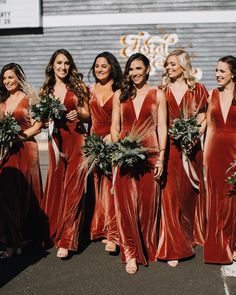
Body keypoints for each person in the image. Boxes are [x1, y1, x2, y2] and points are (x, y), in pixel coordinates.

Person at [111, 53, 167, 274]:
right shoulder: (120, 94)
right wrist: (121, 148)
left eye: (138, 69)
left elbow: (162, 127)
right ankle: (130, 253)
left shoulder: (158, 94)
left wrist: (162, 157)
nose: (134, 73)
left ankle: (147, 246)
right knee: (125, 207)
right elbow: (115, 128)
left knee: (147, 205)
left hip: (150, 154)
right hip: (125, 155)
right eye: (131, 69)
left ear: (147, 69)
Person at [156, 49, 208, 267]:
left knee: (189, 195)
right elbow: (160, 122)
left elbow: (203, 116)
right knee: (169, 195)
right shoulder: (162, 90)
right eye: (167, 64)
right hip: (170, 149)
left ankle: (190, 233)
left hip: (192, 148)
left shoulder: (197, 89)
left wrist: (194, 134)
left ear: (183, 65)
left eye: (173, 64)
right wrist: (161, 151)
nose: (168, 68)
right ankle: (173, 244)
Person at [40, 49, 90, 258]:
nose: (63, 67)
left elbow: (88, 115)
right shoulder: (45, 91)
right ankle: (57, 229)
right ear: (52, 65)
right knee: (58, 187)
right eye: (59, 63)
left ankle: (68, 239)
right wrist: (46, 121)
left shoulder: (77, 87)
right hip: (56, 144)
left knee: (74, 188)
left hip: (77, 140)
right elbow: (40, 122)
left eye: (66, 63)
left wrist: (77, 113)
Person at [0, 63, 43, 259]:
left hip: (26, 150)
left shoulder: (30, 98)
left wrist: (18, 137)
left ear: (19, 77)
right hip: (8, 152)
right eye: (5, 78)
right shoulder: (2, 102)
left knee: (27, 194)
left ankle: (23, 238)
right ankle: (12, 240)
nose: (8, 81)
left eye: (11, 77)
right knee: (8, 196)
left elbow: (38, 126)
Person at [88, 52, 122, 252]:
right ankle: (100, 227)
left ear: (112, 68)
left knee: (112, 186)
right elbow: (86, 116)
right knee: (97, 185)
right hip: (93, 141)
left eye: (104, 66)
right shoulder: (90, 90)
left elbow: (125, 116)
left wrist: (113, 136)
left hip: (112, 140)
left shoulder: (119, 89)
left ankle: (114, 234)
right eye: (97, 66)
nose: (99, 69)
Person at [204, 55, 236, 264]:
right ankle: (219, 244)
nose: (217, 75)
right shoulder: (212, 94)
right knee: (216, 198)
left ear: (233, 73)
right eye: (216, 70)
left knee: (233, 199)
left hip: (234, 152)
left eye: (222, 71)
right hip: (214, 152)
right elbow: (208, 125)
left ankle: (233, 243)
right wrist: (205, 155)